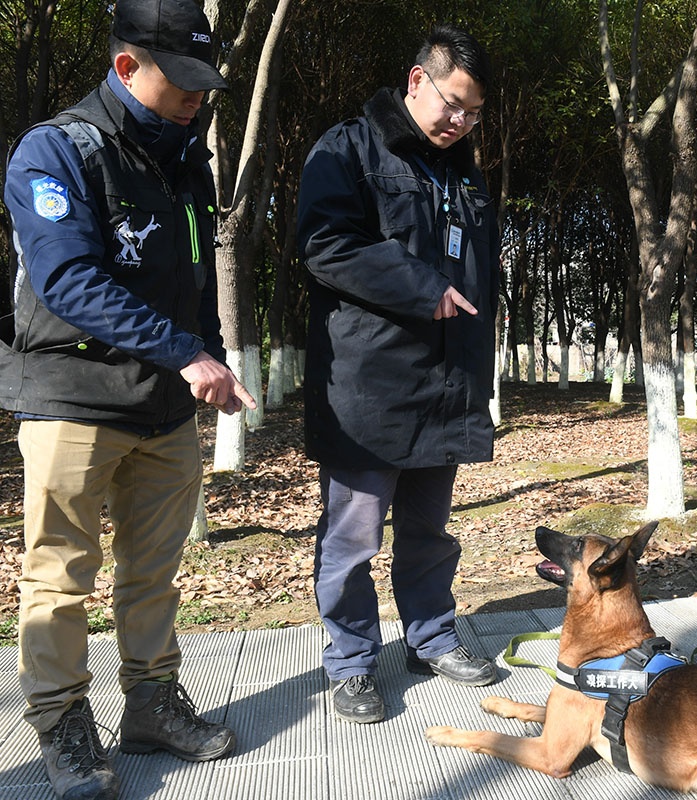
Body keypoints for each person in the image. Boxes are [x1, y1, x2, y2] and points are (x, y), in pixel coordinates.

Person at [0, 1, 255, 797]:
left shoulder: (187, 158)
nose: (194, 97)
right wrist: (189, 354)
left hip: (165, 406)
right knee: (59, 575)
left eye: (202, 83)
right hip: (72, 396)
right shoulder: (55, 151)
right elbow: (68, 278)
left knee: (155, 570)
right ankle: (64, 724)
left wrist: (208, 352)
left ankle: (150, 703)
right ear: (124, 67)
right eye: (179, 81)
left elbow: (194, 278)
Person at [296, 23, 501, 724]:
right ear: (417, 80)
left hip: (445, 389)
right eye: (452, 103)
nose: (460, 121)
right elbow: (325, 244)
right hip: (369, 389)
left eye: (473, 112)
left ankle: (431, 636)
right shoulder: (348, 147)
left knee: (430, 531)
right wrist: (421, 287)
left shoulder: (462, 172)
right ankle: (351, 663)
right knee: (353, 539)